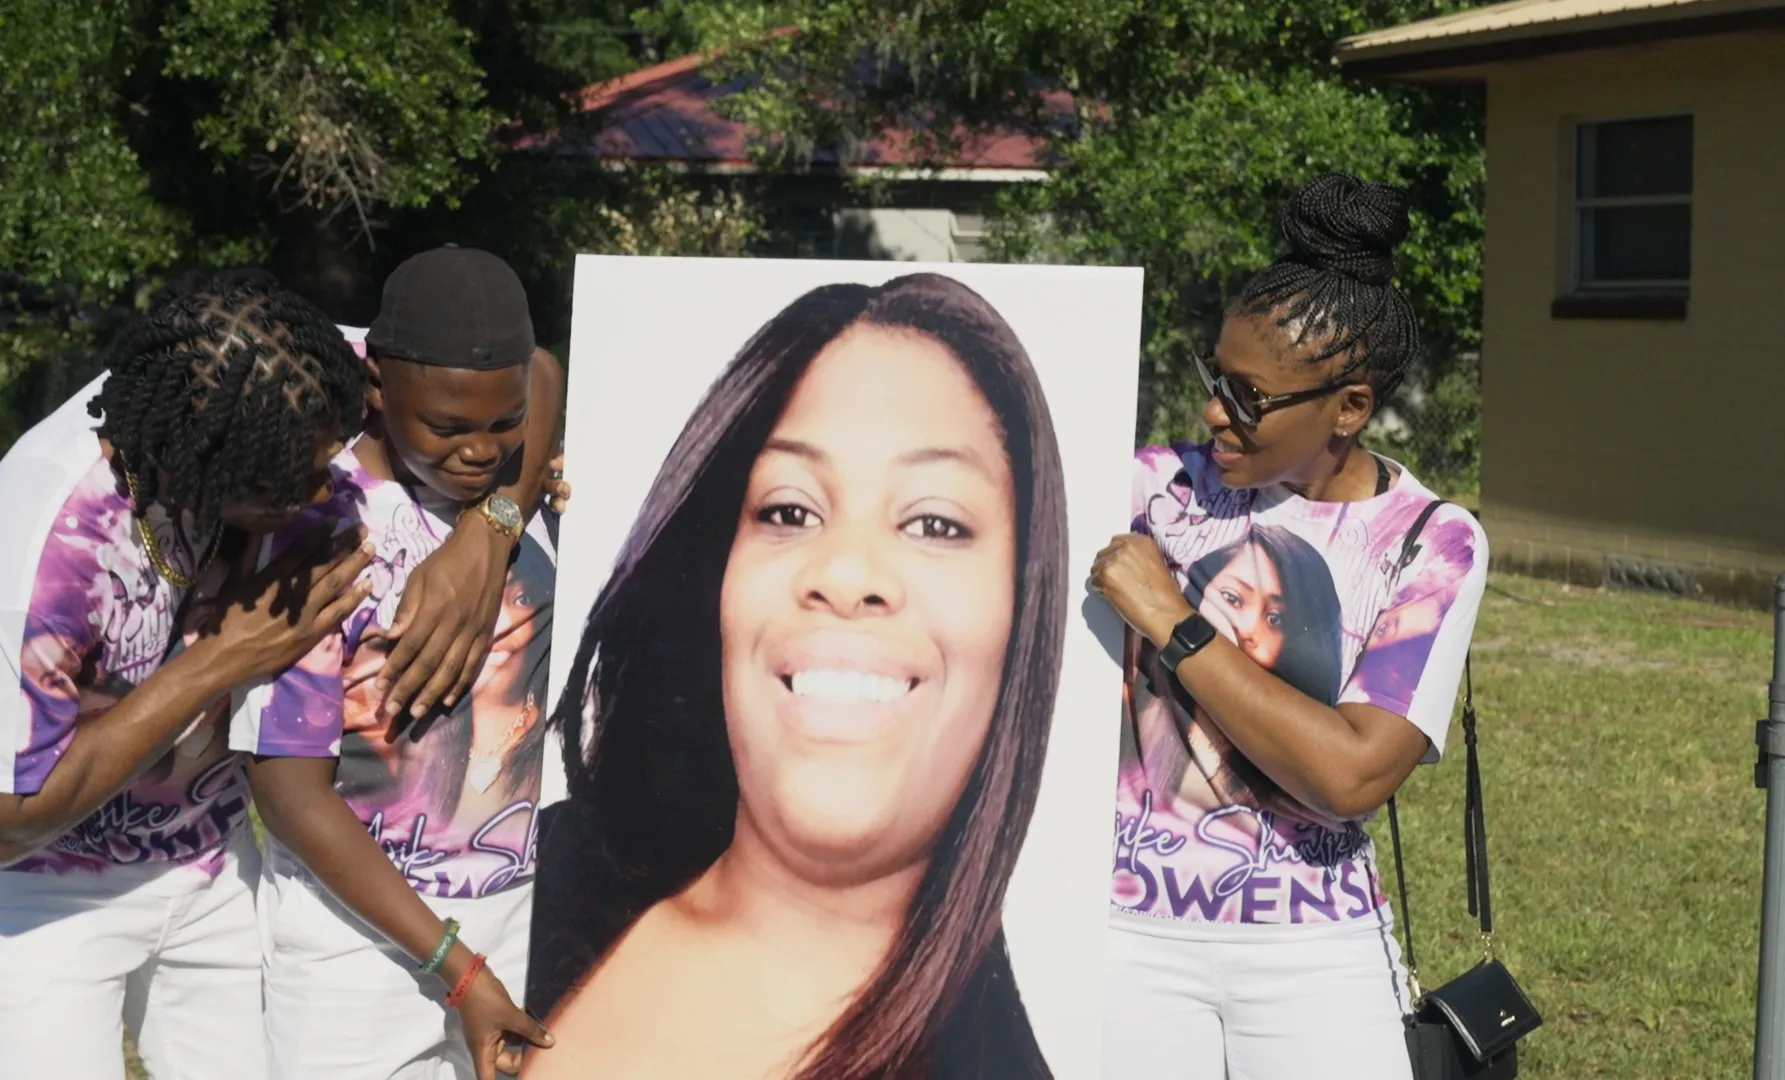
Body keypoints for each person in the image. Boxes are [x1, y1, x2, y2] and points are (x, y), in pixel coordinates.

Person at [524, 273, 1067, 1080]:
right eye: (788, 511)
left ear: (1022, 610)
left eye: (935, 521)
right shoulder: (534, 877)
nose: (846, 574)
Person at [1091, 172, 1490, 1080]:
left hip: (1313, 947)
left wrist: (1174, 622)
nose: (1211, 414)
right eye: (1213, 380)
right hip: (1123, 935)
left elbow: (1350, 773)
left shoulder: (1430, 543)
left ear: (1348, 407)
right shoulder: (1153, 490)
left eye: (1247, 397)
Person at [0, 268, 381, 1080]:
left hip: (210, 866)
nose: (326, 488)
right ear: (203, 462)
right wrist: (221, 661)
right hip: (48, 895)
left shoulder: (281, 374)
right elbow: (10, 819)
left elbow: (519, 365)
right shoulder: (42, 542)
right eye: (293, 480)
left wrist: (495, 522)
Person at [232, 247, 564, 1080]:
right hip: (358, 953)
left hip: (520, 919)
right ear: (375, 386)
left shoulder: (511, 492)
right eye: (448, 429)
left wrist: (491, 527)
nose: (482, 452)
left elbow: (544, 370)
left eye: (503, 424)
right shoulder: (321, 528)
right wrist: (460, 972)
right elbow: (289, 790)